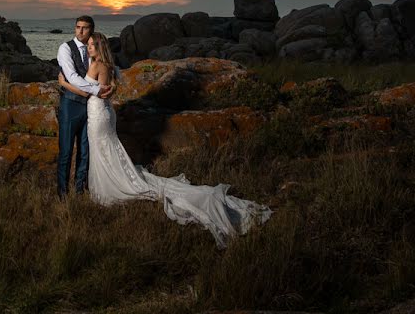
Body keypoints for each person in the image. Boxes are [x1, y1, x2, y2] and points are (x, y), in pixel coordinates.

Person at [58, 32, 272, 248]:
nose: (90, 47)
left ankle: (110, 185)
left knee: (101, 149)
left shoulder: (96, 65)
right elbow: (108, 90)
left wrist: (64, 83)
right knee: (106, 149)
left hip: (97, 113)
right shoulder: (110, 66)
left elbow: (87, 92)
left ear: (100, 46)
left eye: (93, 45)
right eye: (90, 44)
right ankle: (111, 177)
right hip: (105, 112)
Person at [55, 15, 114, 197]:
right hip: (71, 105)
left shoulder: (93, 51)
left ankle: (80, 190)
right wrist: (97, 90)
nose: (80, 31)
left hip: (90, 108)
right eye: (78, 27)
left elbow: (107, 70)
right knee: (65, 151)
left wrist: (111, 85)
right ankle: (62, 194)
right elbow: (71, 76)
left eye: (85, 28)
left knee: (85, 150)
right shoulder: (65, 48)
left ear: (91, 30)